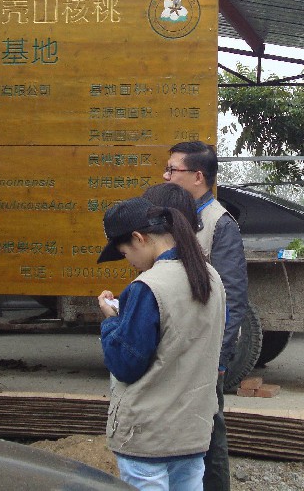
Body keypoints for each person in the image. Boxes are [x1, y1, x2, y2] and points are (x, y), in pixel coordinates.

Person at [96, 196, 226, 490]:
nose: (129, 262)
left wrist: (111, 322)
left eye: (125, 253)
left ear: (139, 238)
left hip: (149, 437)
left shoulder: (147, 287)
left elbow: (126, 364)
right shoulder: (211, 277)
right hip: (192, 433)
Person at [163, 141, 248, 491]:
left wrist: (219, 358)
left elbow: (233, 298)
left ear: (198, 176)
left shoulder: (220, 224)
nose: (166, 176)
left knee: (208, 432)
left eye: (173, 170)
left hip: (205, 353)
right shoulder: (174, 218)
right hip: (177, 347)